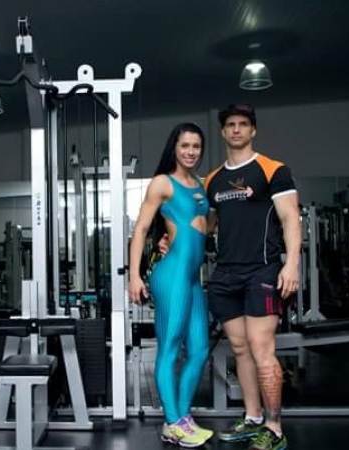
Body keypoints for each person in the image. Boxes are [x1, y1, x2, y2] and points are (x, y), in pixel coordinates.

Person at [203, 104, 300, 450]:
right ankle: (253, 417)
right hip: (225, 274)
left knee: (261, 348)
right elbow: (208, 225)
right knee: (240, 349)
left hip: (262, 269)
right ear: (223, 131)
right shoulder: (213, 180)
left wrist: (292, 264)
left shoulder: (273, 170)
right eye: (230, 124)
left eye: (243, 124)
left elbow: (290, 219)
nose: (236, 130)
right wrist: (171, 237)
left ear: (253, 130)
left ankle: (274, 428)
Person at [128, 123, 214, 448]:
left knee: (200, 349)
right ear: (174, 148)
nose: (191, 152)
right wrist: (134, 275)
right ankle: (174, 421)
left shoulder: (201, 185)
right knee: (170, 347)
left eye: (196, 146)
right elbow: (141, 229)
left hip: (192, 278)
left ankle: (181, 418)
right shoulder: (163, 183)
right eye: (185, 146)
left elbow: (206, 226)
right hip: (172, 275)